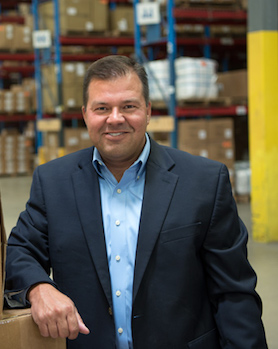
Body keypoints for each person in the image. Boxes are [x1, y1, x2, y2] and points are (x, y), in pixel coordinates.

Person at [5, 55, 267, 349]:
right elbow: (19, 251)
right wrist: (39, 288)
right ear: (85, 114)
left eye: (128, 106)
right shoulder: (53, 182)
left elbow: (234, 294)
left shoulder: (204, 182)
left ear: (148, 111)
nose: (115, 118)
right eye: (102, 108)